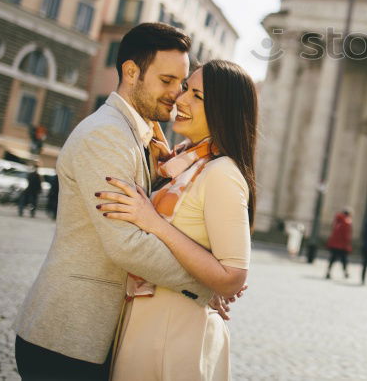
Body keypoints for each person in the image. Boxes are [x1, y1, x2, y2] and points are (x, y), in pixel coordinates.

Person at [14, 24, 221, 380]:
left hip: (89, 337)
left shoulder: (134, 135)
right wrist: (208, 283)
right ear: (131, 72)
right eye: (167, 80)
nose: (177, 94)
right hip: (68, 335)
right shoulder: (107, 134)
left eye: (182, 84)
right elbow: (126, 245)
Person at [96, 58, 258, 380]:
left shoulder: (222, 174)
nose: (180, 100)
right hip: (149, 323)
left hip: (177, 334)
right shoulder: (182, 166)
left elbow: (232, 277)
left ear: (224, 110)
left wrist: (152, 222)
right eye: (186, 89)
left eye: (197, 97)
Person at [324, 208, 353, 280]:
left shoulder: (337, 221)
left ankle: (328, 272)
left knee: (332, 259)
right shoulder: (347, 222)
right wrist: (348, 244)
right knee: (344, 259)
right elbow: (346, 235)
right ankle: (345, 272)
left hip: (334, 244)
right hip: (342, 245)